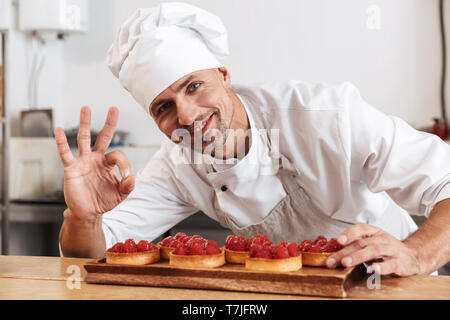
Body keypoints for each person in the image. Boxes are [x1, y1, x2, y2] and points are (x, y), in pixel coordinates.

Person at [55, 2, 450, 276]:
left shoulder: (328, 116)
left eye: (194, 86)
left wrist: (415, 254)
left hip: (391, 284)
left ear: (223, 75)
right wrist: (82, 217)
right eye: (164, 107)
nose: (187, 117)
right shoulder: (176, 167)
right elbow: (91, 252)